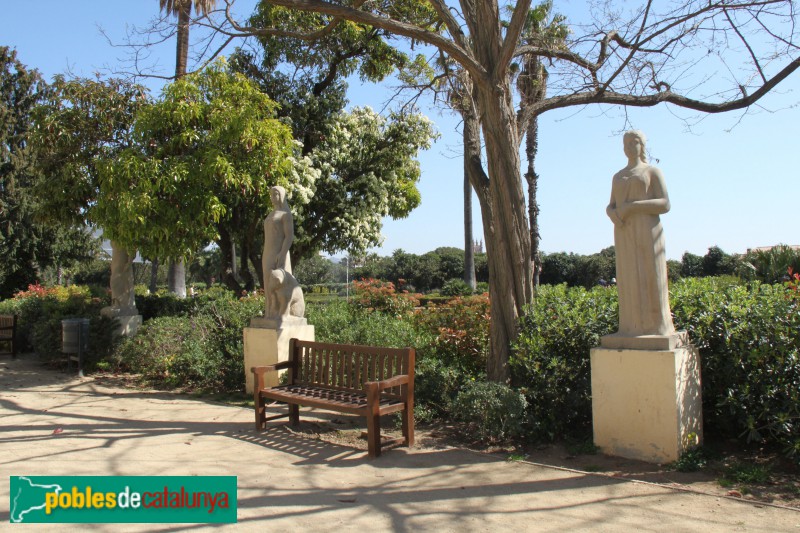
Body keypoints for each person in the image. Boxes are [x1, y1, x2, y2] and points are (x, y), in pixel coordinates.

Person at [606, 130, 675, 337]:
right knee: (628, 277)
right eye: (626, 143)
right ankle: (629, 327)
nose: (629, 147)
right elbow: (611, 204)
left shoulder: (652, 172)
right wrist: (612, 213)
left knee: (650, 274)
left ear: (642, 145)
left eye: (633, 142)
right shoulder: (618, 176)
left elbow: (665, 204)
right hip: (623, 231)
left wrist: (633, 207)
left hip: (647, 229)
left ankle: (656, 326)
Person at [262, 186, 294, 318]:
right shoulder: (270, 214)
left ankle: (282, 312)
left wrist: (282, 253)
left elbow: (289, 236)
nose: (272, 197)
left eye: (275, 194)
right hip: (267, 253)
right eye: (271, 194)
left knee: (280, 283)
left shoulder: (286, 215)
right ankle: (270, 312)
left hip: (279, 253)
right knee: (267, 283)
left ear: (281, 195)